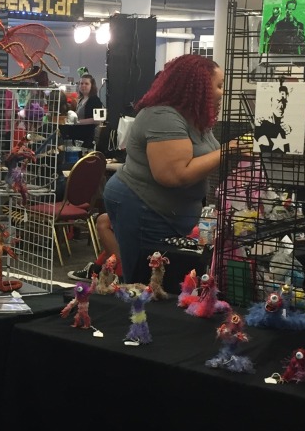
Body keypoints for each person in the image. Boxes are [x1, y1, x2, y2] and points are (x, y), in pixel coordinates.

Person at [101, 54, 226, 282]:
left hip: (169, 214)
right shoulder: (162, 116)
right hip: (142, 207)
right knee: (146, 280)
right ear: (198, 87)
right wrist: (226, 152)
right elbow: (174, 175)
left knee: (163, 279)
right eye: (218, 86)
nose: (222, 93)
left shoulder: (193, 117)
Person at [253, 79, 294, 153]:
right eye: (278, 101)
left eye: (284, 101)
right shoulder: (262, 123)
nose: (281, 106)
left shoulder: (284, 125)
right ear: (271, 101)